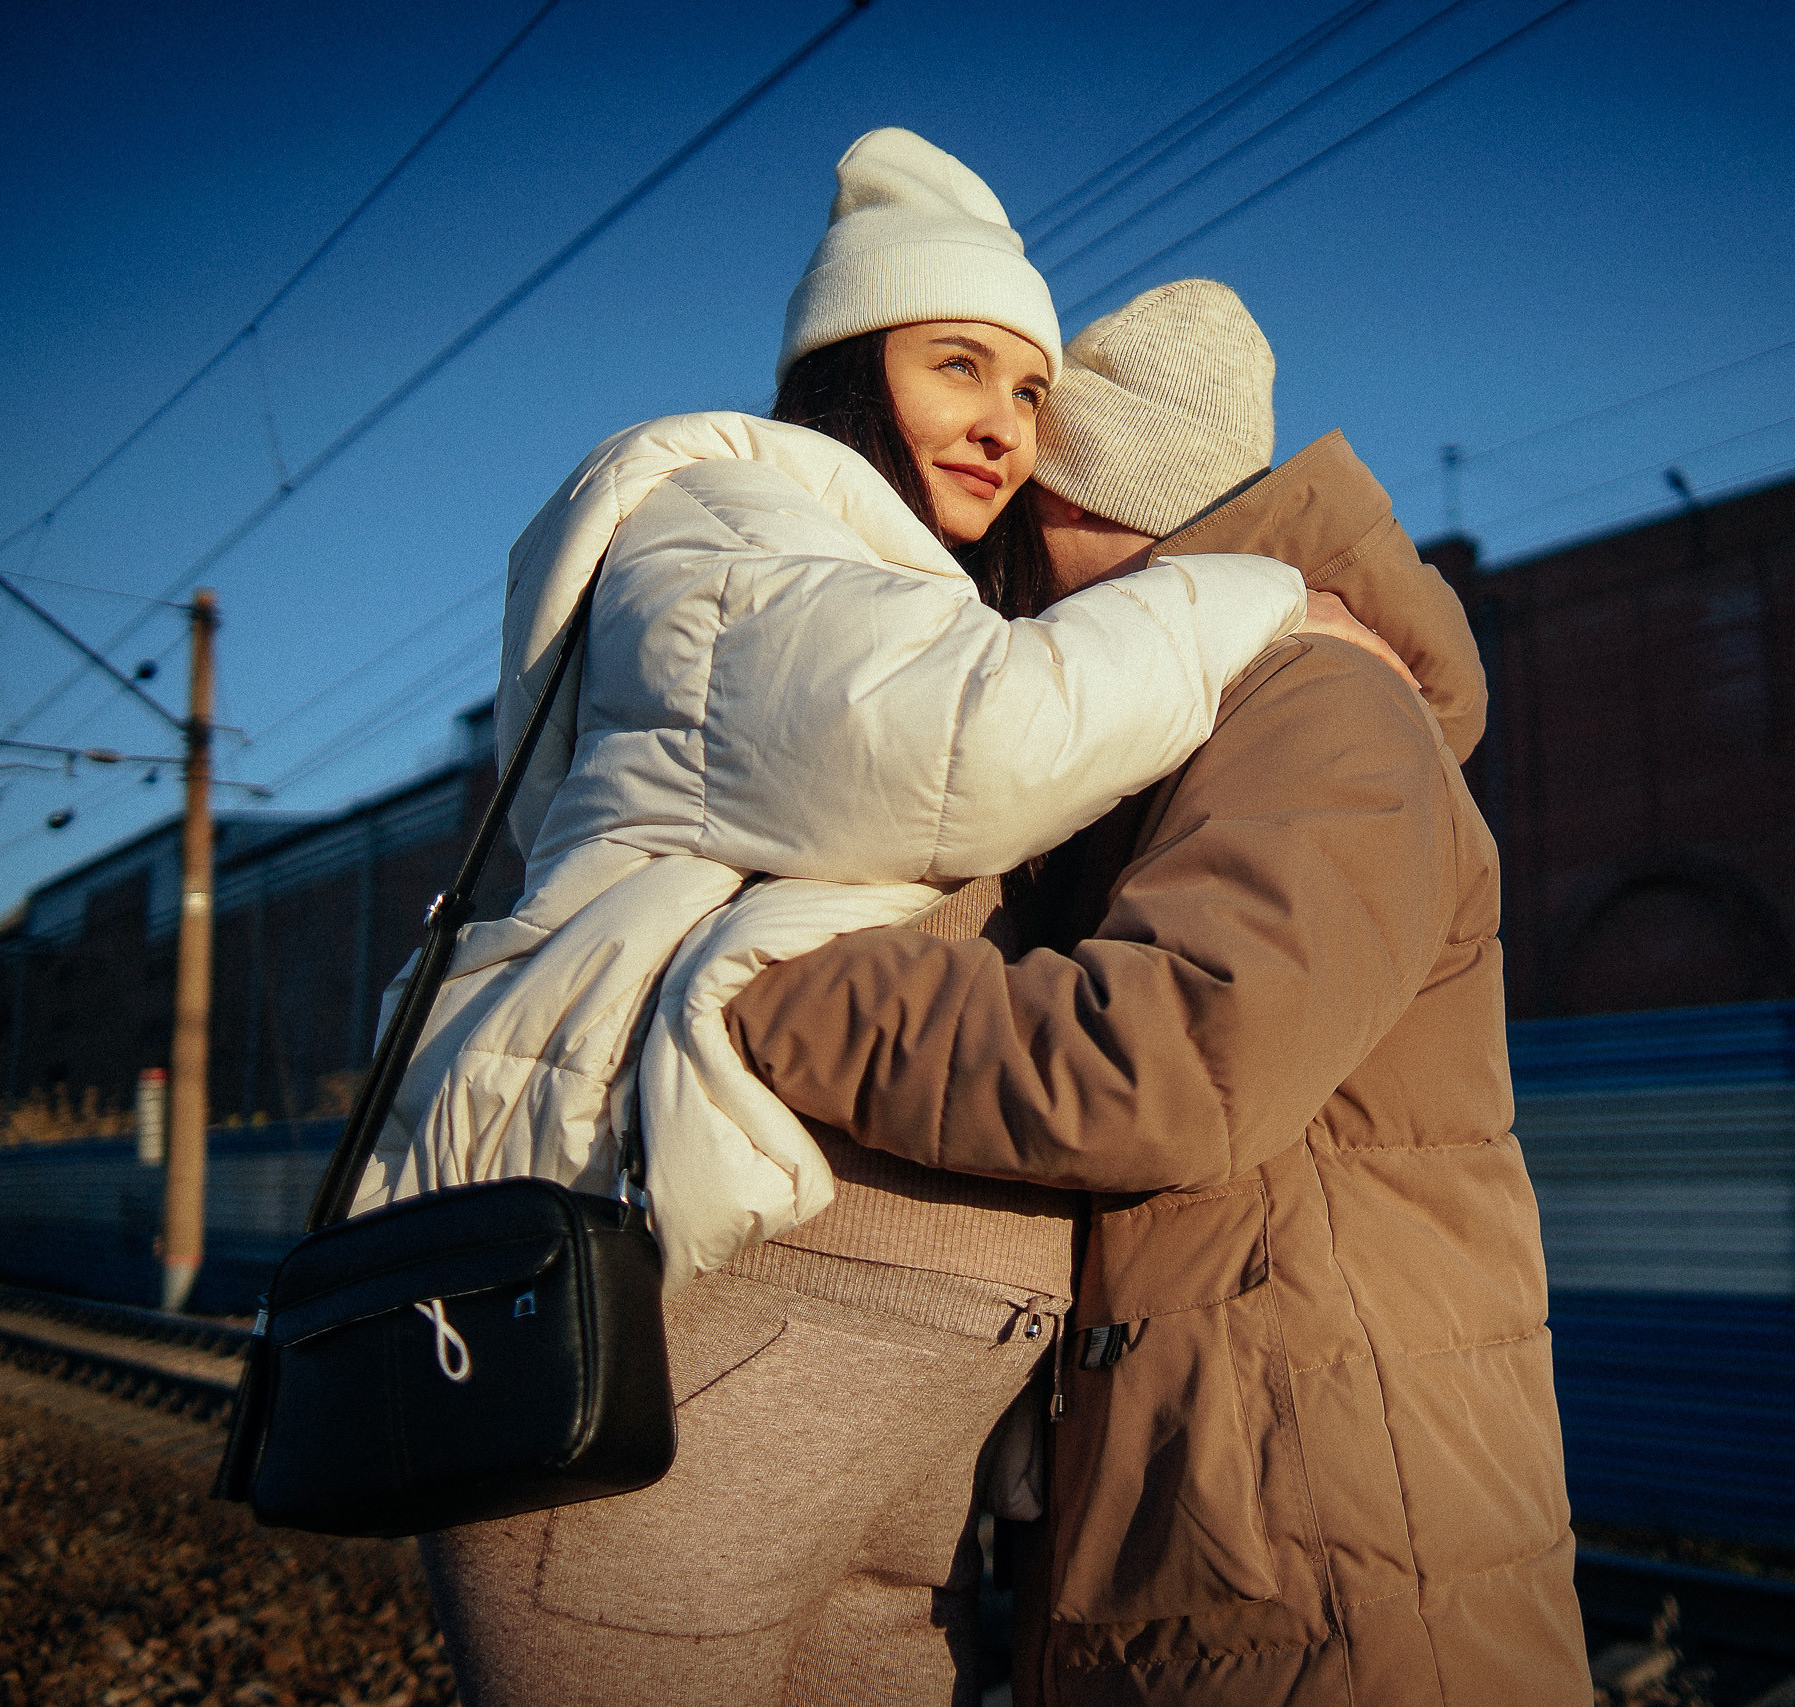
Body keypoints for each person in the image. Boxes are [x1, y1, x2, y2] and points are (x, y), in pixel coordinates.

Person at [399, 137, 1377, 1706]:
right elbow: (969, 747)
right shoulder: (729, 528)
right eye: (958, 365)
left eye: (1029, 393)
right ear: (848, 369)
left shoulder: (893, 585)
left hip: (872, 1395)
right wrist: (1260, 594)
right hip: (699, 1358)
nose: (1001, 423)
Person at [727, 282, 1593, 1705]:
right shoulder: (1203, 732)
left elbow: (1166, 1064)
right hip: (1247, 1555)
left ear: (1084, 506)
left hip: (1335, 1587)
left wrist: (773, 992)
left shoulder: (1319, 709)